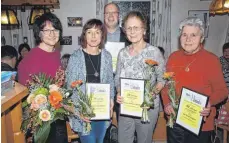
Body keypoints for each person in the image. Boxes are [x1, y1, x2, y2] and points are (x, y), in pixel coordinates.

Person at [161, 17, 229, 143]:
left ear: (201, 38)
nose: (188, 39)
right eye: (184, 34)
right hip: (175, 121)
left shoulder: (211, 60)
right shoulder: (173, 57)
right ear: (180, 37)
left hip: (201, 124)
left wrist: (209, 102)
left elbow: (222, 91)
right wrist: (166, 104)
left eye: (193, 35)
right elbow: (166, 86)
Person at [115, 11, 165, 143]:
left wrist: (151, 95)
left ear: (144, 30)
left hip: (147, 109)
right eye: (128, 28)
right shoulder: (122, 53)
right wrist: (119, 92)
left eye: (136, 27)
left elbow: (162, 79)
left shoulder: (154, 52)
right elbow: (117, 80)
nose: (132, 31)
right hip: (127, 106)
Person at [18, 12, 68, 143]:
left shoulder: (56, 54)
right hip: (42, 120)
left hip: (58, 115)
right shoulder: (30, 58)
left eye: (55, 29)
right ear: (39, 33)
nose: (52, 34)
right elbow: (25, 93)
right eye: (47, 30)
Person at [65, 19, 114, 143]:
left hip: (101, 112)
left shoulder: (107, 57)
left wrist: (111, 101)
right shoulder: (75, 57)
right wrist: (78, 112)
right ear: (84, 35)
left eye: (97, 32)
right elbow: (69, 89)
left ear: (102, 35)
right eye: (89, 32)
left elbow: (110, 81)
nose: (93, 36)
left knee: (100, 140)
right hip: (84, 114)